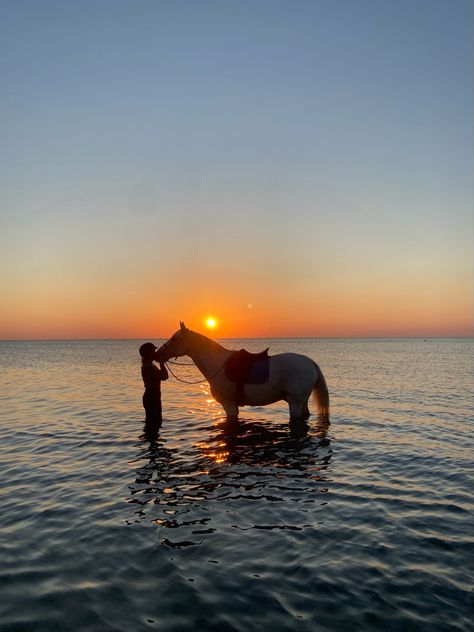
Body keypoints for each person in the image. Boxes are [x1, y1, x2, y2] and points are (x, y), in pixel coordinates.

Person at [139, 342, 168, 425]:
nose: (155, 353)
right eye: (153, 351)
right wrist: (161, 363)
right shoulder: (148, 367)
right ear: (149, 353)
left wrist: (162, 363)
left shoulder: (151, 366)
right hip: (152, 395)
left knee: (155, 421)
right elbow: (163, 377)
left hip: (154, 394)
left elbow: (165, 376)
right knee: (154, 421)